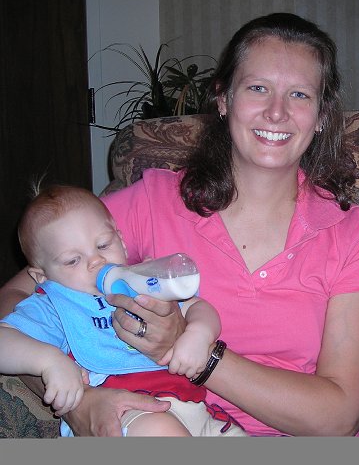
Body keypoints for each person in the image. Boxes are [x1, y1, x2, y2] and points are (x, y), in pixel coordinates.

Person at [0, 13, 359, 437]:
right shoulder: (154, 202)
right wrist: (77, 401)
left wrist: (197, 356)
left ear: (320, 115)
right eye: (257, 88)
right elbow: (19, 297)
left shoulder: (351, 235)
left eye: (299, 94)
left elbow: (339, 416)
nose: (276, 112)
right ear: (223, 99)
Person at [0, 184, 246, 437]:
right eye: (73, 260)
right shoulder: (53, 306)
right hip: (129, 416)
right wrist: (49, 361)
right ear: (42, 277)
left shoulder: (142, 280)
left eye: (104, 245)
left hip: (196, 409)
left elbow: (198, 306)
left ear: (122, 243)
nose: (96, 261)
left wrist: (199, 333)